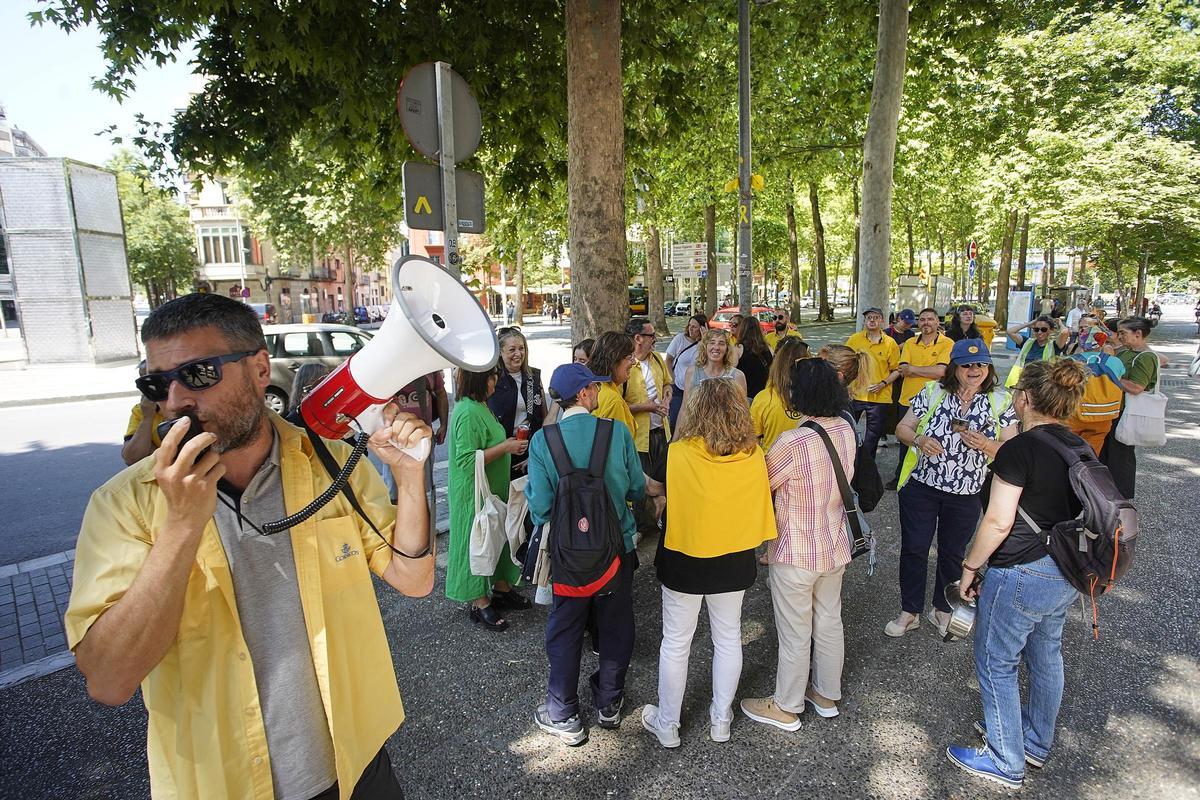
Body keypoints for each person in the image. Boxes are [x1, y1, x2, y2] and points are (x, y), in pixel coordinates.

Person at [66, 293, 434, 799]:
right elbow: (108, 681)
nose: (175, 401)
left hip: (357, 764)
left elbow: (414, 579)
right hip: (222, 784)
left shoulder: (327, 461)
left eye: (198, 374)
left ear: (260, 368)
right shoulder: (124, 504)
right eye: (156, 384)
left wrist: (409, 478)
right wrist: (179, 528)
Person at [945, 358, 1091, 789]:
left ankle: (1006, 759)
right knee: (1047, 654)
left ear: (1025, 398)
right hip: (1067, 568)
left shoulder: (1020, 449)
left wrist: (970, 567)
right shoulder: (1077, 445)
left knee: (996, 661)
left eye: (1014, 393)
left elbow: (997, 521)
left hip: (1022, 571)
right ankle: (1034, 742)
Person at [642, 378, 777, 747]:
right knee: (728, 637)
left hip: (683, 556)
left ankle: (668, 724)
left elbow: (653, 487)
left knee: (675, 643)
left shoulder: (677, 452)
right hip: (733, 557)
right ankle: (721, 719)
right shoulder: (754, 455)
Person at [527, 363, 657, 747]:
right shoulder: (615, 432)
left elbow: (541, 508)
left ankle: (563, 712)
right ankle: (609, 702)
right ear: (583, 394)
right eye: (595, 387)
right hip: (617, 549)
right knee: (616, 626)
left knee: (565, 629)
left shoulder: (542, 442)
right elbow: (636, 487)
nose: (599, 392)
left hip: (567, 556)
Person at [741, 358, 856, 731]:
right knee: (829, 620)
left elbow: (763, 485)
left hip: (795, 549)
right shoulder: (845, 429)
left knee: (794, 631)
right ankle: (826, 694)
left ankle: (786, 705)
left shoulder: (792, 441)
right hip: (834, 541)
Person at [887, 339, 1018, 638]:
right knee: (914, 548)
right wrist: (919, 441)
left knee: (952, 552)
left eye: (981, 364)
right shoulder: (932, 392)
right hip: (922, 486)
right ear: (954, 367)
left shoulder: (1000, 401)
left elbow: (1012, 450)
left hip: (966, 494)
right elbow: (902, 428)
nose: (975, 370)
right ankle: (910, 611)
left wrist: (985, 444)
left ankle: (942, 609)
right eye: (968, 364)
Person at [446, 366, 529, 632]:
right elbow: (467, 460)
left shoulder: (479, 405)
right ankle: (479, 601)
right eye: (493, 378)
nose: (496, 383)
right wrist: (506, 446)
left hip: (490, 489)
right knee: (476, 541)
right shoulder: (468, 411)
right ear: (481, 380)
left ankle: (501, 587)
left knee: (496, 536)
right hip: (473, 493)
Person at [880, 309, 953, 489]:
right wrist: (927, 370)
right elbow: (903, 368)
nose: (926, 322)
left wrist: (914, 370)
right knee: (906, 440)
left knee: (935, 439)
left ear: (938, 322)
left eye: (930, 319)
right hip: (908, 400)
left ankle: (932, 476)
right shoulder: (911, 342)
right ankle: (901, 477)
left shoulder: (948, 343)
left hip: (935, 401)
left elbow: (942, 372)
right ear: (917, 323)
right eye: (922, 320)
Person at [1098, 316, 1159, 499]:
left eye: (1123, 333)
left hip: (1126, 412)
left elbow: (1136, 387)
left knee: (1120, 458)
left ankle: (1120, 501)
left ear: (1138, 334)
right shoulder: (1127, 351)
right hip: (1115, 410)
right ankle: (1106, 496)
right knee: (1107, 455)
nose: (1120, 336)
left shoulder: (1146, 356)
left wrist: (1109, 375)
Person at [624, 317, 673, 538]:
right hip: (637, 434)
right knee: (640, 484)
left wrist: (667, 397)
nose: (655, 340)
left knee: (661, 476)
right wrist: (646, 407)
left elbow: (667, 383)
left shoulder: (657, 359)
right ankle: (642, 526)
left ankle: (660, 519)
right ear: (638, 338)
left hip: (661, 430)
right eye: (652, 336)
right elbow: (616, 404)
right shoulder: (624, 364)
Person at [488, 327, 548, 479]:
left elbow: (543, 415)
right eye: (512, 350)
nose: (518, 354)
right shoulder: (492, 379)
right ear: (500, 352)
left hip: (531, 450)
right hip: (502, 450)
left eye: (521, 348)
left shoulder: (532, 376)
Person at [845, 307, 901, 460]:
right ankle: (848, 464)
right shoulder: (854, 339)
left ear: (882, 321)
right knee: (846, 432)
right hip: (855, 395)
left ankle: (866, 470)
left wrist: (883, 383)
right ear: (864, 321)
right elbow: (844, 362)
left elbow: (897, 370)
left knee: (872, 439)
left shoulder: (890, 343)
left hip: (879, 398)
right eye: (869, 317)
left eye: (876, 317)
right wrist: (847, 386)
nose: (872, 320)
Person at [677, 329, 748, 434]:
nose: (716, 347)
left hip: (726, 438)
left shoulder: (737, 376)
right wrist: (675, 439)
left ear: (727, 349)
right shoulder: (692, 372)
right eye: (712, 342)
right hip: (697, 436)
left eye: (721, 343)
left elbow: (743, 413)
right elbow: (684, 409)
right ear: (705, 346)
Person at [751, 336, 809, 450]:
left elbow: (753, 439)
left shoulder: (764, 398)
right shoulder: (818, 396)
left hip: (772, 462)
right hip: (806, 461)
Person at [588, 331, 639, 437]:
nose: (634, 362)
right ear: (613, 360)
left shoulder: (593, 387)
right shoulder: (612, 400)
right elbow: (617, 447)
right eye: (629, 357)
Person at [665, 313, 707, 429]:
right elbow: (668, 360)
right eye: (690, 325)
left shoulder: (705, 344)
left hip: (696, 388)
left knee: (693, 422)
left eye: (694, 327)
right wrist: (672, 380)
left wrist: (705, 341)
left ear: (702, 328)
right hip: (678, 387)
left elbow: (706, 362)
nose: (691, 329)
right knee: (675, 420)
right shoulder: (680, 339)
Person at [121, 360, 166, 465]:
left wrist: (152, 451)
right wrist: (147, 418)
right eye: (142, 378)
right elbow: (132, 457)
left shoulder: (183, 404)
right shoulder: (141, 410)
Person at [1004, 315, 1069, 387]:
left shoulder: (1054, 346)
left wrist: (1060, 324)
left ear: (1051, 330)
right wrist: (1028, 324)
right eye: (1036, 329)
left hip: (1043, 385)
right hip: (1024, 383)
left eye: (1043, 329)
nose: (1039, 332)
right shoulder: (1027, 342)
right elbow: (1010, 331)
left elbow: (1064, 332)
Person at [735, 316, 774, 400]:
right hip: (765, 397)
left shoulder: (738, 349)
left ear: (742, 330)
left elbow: (730, 372)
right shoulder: (769, 348)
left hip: (746, 396)